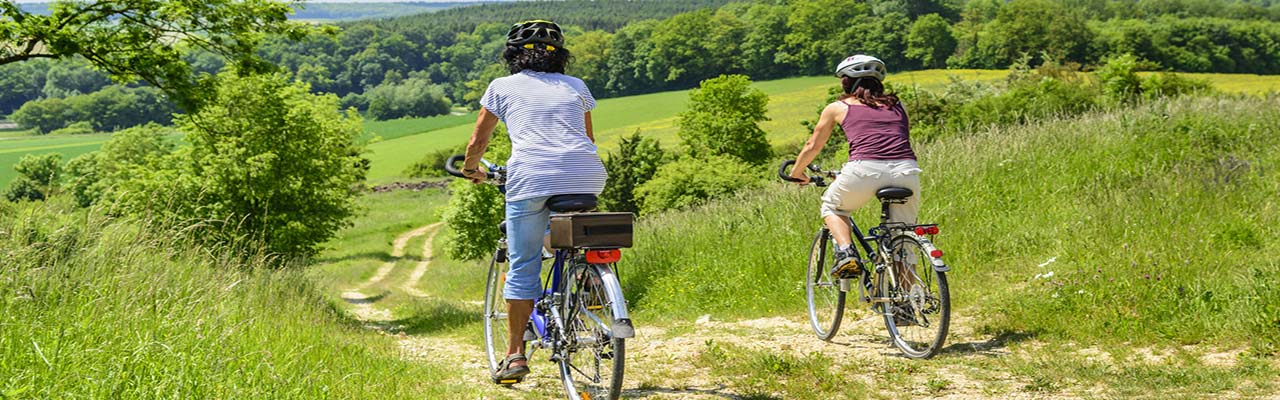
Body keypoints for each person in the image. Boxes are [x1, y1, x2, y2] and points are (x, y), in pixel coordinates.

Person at [460, 20, 607, 384]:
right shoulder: (577, 86)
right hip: (586, 174)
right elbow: (586, 136)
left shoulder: (501, 87)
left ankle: (514, 356)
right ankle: (587, 279)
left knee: (524, 263)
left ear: (512, 56)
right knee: (567, 233)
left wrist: (471, 168)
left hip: (531, 177)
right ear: (560, 57)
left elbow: (479, 138)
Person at [787, 54, 921, 275]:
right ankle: (906, 305)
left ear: (848, 81)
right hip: (907, 170)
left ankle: (847, 253)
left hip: (864, 169)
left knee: (833, 207)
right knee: (903, 239)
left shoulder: (837, 107)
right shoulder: (899, 106)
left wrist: (797, 172)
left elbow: (813, 144)